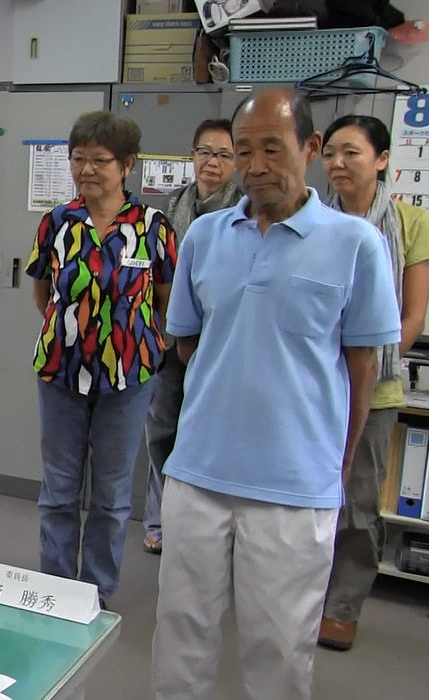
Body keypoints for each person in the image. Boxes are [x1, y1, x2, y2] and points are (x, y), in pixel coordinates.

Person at [152, 89, 401, 700]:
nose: (256, 165)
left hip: (293, 488)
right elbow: (188, 343)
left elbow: (362, 366)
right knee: (180, 636)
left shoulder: (355, 244)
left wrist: (336, 460)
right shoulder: (206, 237)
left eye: (272, 148)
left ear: (310, 149)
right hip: (197, 478)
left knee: (280, 649)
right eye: (243, 151)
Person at [24, 111, 176, 605]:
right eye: (78, 159)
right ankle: (53, 590)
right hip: (61, 371)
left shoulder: (154, 226)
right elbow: (43, 292)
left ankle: (95, 594)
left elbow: (165, 300)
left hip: (128, 379)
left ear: (127, 164)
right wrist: (75, 331)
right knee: (59, 492)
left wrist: (131, 342)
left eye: (100, 160)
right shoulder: (57, 222)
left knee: (111, 498)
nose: (86, 169)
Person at [318, 114, 429, 650]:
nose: (338, 163)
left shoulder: (408, 223)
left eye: (352, 153)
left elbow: (412, 315)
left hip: (376, 387)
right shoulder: (312, 220)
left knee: (358, 501)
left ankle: (342, 607)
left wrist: (367, 360)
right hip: (315, 382)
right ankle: (302, 594)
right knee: (307, 494)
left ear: (382, 160)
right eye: (331, 153)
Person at [142, 119, 242, 555]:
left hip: (222, 345)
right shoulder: (169, 209)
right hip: (169, 338)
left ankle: (210, 527)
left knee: (214, 435)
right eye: (205, 152)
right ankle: (160, 520)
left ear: (237, 162)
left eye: (223, 154)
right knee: (162, 431)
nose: (212, 163)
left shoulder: (246, 210)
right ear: (192, 156)